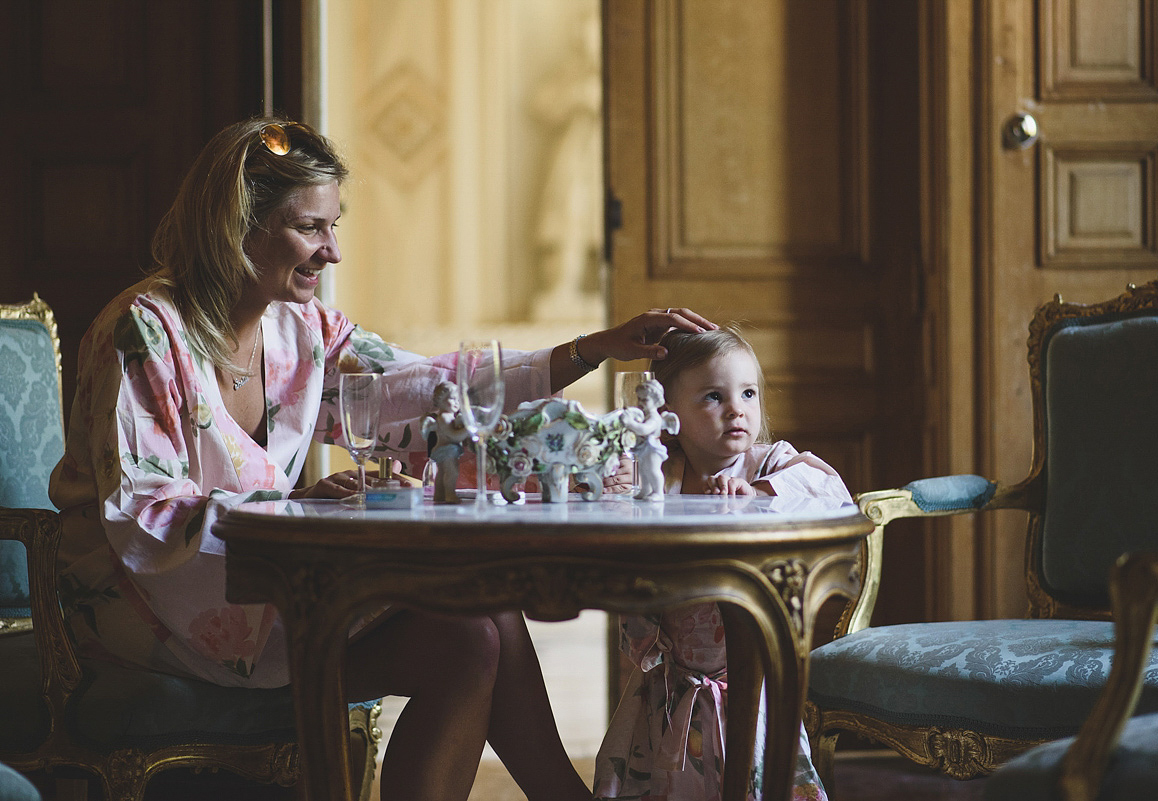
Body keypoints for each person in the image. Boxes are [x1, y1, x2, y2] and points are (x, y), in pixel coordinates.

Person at [46, 115, 716, 801]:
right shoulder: (146, 331)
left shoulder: (301, 330)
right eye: (310, 227)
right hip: (148, 608)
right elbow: (146, 518)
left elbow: (434, 393)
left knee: (475, 628)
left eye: (335, 226)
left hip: (275, 586)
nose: (332, 251)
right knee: (470, 629)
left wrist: (592, 348)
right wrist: (299, 512)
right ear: (237, 226)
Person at [592, 325, 853, 801]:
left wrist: (758, 493)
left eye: (748, 392)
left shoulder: (768, 464)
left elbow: (831, 492)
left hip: (748, 690)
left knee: (756, 784)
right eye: (714, 396)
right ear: (668, 415)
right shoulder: (660, 474)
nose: (738, 408)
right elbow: (606, 499)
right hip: (667, 690)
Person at [619, 377, 678, 501]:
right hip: (644, 447)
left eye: (645, 399)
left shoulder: (655, 417)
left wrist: (630, 423)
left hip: (653, 448)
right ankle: (646, 490)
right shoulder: (645, 414)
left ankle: (658, 492)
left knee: (653, 470)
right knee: (643, 470)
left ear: (656, 400)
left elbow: (644, 429)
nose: (640, 402)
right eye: (639, 399)